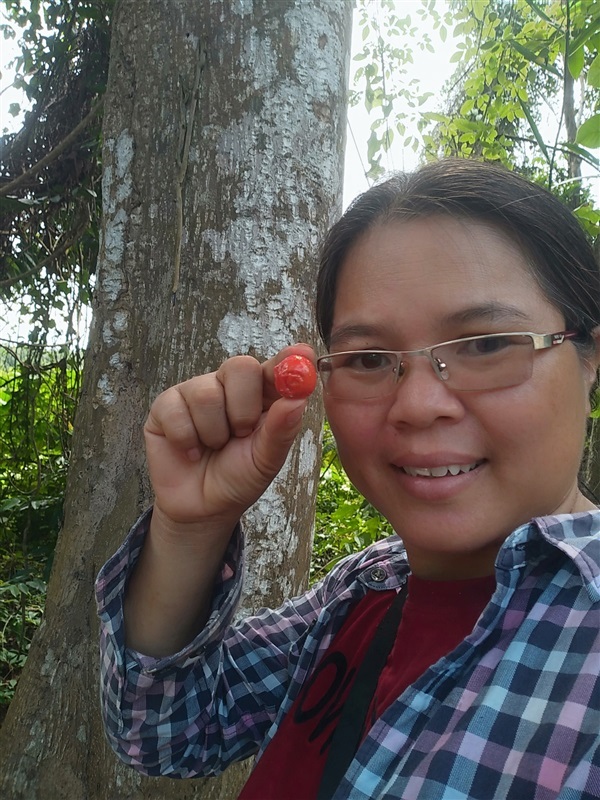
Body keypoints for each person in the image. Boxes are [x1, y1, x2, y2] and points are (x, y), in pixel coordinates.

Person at [96, 159, 600, 800]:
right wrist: (190, 528)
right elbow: (166, 731)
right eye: (367, 358)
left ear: (590, 360)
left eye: (485, 344)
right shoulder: (364, 592)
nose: (417, 405)